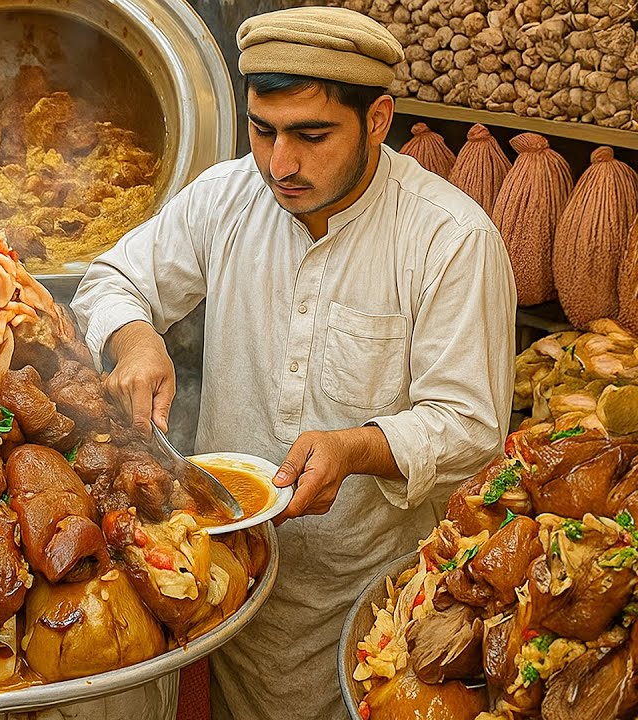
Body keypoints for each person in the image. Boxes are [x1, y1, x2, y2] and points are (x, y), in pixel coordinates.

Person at [70, 7, 516, 720]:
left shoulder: (450, 238)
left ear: (377, 119)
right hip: (223, 562)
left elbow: (470, 425)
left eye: (311, 136)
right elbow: (113, 279)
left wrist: (358, 447)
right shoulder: (227, 196)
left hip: (362, 592)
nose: (280, 164)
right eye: (262, 130)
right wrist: (137, 339)